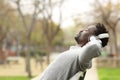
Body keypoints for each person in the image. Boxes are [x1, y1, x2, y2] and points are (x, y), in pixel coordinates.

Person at [32, 23, 109, 80]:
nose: (82, 30)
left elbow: (95, 47)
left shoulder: (82, 58)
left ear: (91, 39)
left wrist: (97, 39)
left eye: (87, 30)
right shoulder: (76, 52)